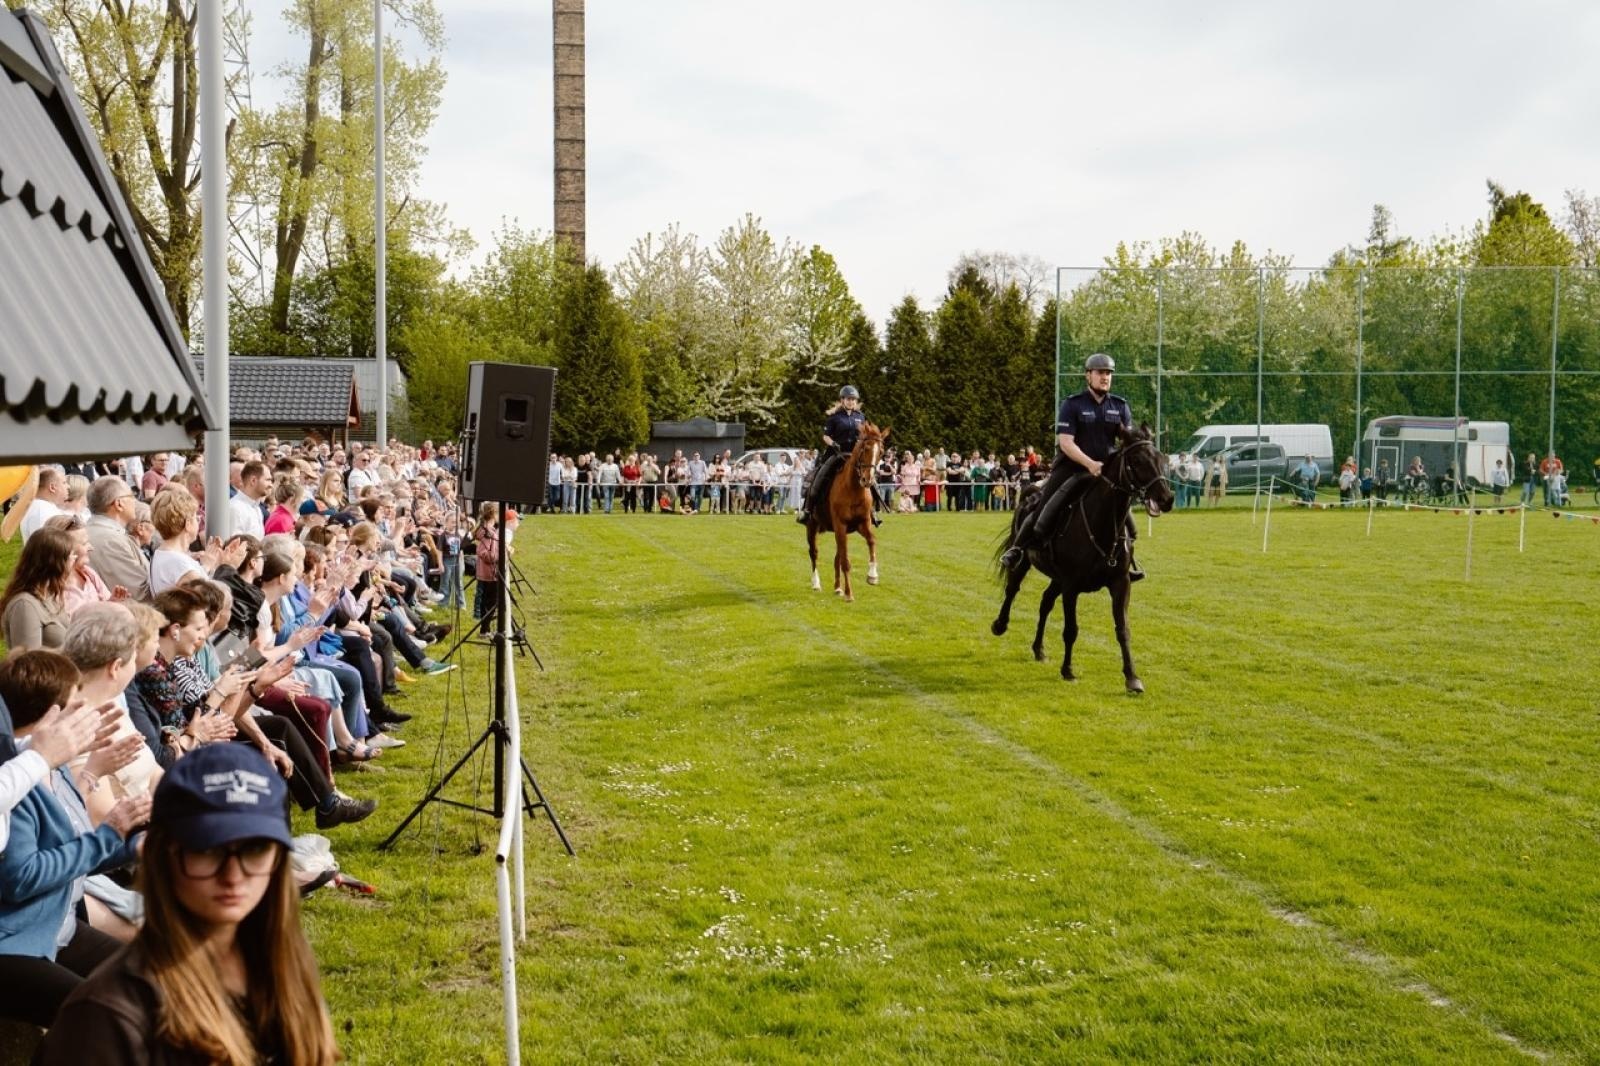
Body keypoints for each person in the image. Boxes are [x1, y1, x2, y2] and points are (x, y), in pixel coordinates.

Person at [34, 743, 341, 1065]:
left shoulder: (280, 963)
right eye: (208, 851)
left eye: (255, 849)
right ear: (162, 855)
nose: (233, 875)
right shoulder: (105, 1018)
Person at [1000, 353, 1142, 578]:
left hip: (1104, 472)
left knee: (1130, 525)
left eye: (1108, 373)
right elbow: (1065, 443)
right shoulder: (1073, 404)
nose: (1105, 377)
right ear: (1088, 375)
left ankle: (1125, 563)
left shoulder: (1120, 406)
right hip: (1071, 468)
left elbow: (1127, 440)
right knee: (1043, 510)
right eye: (1100, 372)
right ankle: (1017, 549)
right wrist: (1088, 463)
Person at [796, 385, 876, 527]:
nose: (851, 402)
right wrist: (833, 444)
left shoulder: (860, 417)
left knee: (870, 478)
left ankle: (872, 511)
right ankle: (807, 510)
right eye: (848, 399)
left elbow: (864, 436)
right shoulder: (835, 417)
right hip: (836, 453)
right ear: (842, 400)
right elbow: (825, 436)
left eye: (853, 399)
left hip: (853, 455)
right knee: (820, 476)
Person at [1, 526, 77, 650]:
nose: (74, 559)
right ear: (55, 563)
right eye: (71, 556)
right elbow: (28, 661)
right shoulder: (24, 605)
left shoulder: (50, 595)